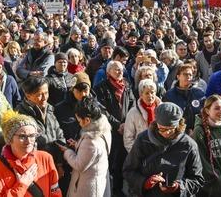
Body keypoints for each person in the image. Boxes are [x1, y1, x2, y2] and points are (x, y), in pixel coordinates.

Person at [123, 102, 204, 196]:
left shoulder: (189, 145)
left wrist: (178, 187)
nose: (167, 133)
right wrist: (145, 183)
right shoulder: (143, 140)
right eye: (162, 129)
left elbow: (197, 179)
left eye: (171, 128)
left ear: (179, 125)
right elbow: (128, 170)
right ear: (156, 124)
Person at [0, 110, 63, 196]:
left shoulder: (45, 158)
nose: (28, 141)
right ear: (10, 140)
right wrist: (21, 186)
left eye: (32, 135)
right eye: (22, 136)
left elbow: (55, 193)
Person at [16, 76, 67, 188]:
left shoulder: (49, 108)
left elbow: (59, 134)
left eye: (46, 93)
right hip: (36, 167)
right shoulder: (21, 115)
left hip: (55, 162)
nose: (44, 98)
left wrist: (59, 163)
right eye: (39, 94)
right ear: (28, 95)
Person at [94, 60, 135, 197]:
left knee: (123, 161)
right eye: (116, 69)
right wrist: (118, 124)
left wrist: (127, 123)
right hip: (110, 130)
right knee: (111, 162)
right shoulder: (101, 87)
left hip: (126, 129)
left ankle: (120, 189)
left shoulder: (127, 86)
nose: (120, 72)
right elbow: (102, 109)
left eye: (121, 69)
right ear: (108, 72)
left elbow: (132, 105)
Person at [56, 98, 112, 197]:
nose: (79, 123)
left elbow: (79, 165)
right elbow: (94, 154)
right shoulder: (103, 128)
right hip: (97, 180)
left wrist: (67, 152)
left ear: (87, 120)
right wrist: (78, 145)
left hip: (87, 188)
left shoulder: (91, 141)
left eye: (79, 120)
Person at [192, 95, 221, 197]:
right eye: (217, 108)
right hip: (212, 187)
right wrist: (216, 178)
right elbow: (201, 160)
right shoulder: (199, 131)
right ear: (207, 111)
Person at [164, 63, 205, 133]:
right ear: (178, 76)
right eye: (185, 74)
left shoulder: (199, 93)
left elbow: (204, 113)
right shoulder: (169, 95)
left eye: (190, 75)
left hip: (198, 131)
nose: (188, 76)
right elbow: (168, 117)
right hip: (177, 132)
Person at [124, 78, 162, 152]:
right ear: (141, 94)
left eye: (152, 92)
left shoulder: (163, 109)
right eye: (147, 93)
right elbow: (128, 138)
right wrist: (137, 154)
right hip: (141, 152)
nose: (150, 95)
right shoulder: (133, 113)